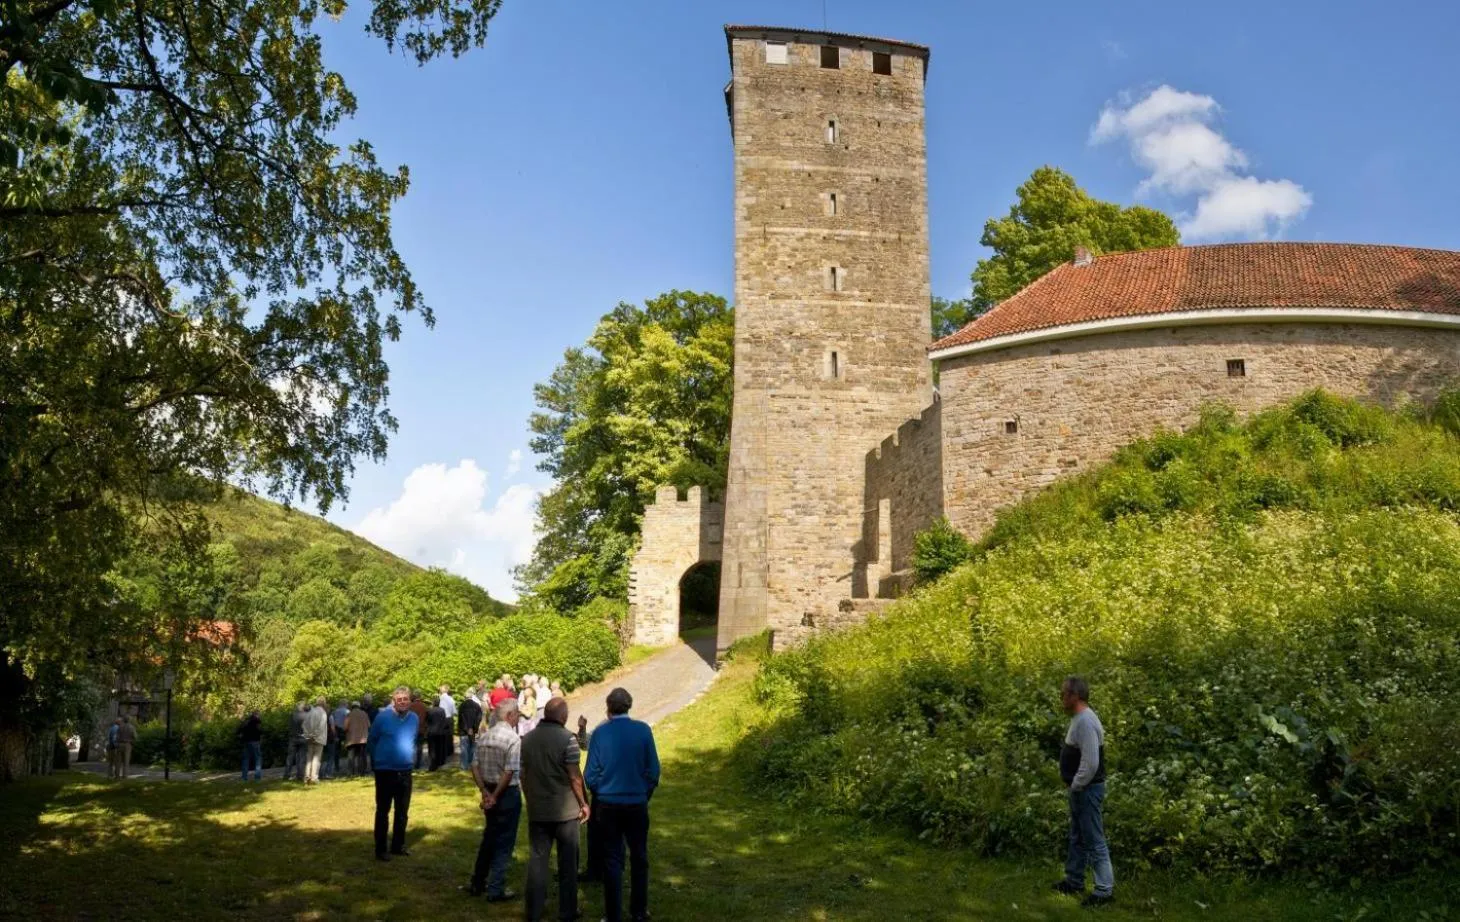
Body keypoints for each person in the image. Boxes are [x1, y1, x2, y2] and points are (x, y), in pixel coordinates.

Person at [583, 688, 660, 922]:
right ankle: (638, 910)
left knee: (612, 858)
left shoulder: (600, 733)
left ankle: (613, 914)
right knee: (639, 856)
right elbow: (653, 772)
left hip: (608, 805)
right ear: (630, 705)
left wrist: (602, 792)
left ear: (608, 707)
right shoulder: (643, 731)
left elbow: (590, 775)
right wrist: (642, 794)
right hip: (636, 804)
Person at [520, 697, 590, 922]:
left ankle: (533, 912)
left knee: (537, 862)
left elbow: (522, 774)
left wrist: (529, 797)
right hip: (566, 811)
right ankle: (567, 911)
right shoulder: (567, 739)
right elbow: (574, 777)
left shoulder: (527, 739)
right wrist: (584, 804)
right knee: (568, 863)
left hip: (538, 808)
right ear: (562, 716)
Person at [1053, 675, 1114, 907]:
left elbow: (1091, 763)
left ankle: (1104, 891)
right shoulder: (1080, 718)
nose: (1061, 698)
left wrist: (1076, 784)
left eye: (1063, 694)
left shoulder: (1086, 721)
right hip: (1081, 790)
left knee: (1094, 840)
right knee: (1077, 837)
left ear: (1074, 696)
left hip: (1087, 790)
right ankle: (1074, 880)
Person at [469, 698, 523, 901]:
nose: (518, 716)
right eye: (517, 713)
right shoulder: (513, 738)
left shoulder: (485, 736)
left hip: (489, 788)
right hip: (505, 792)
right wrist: (495, 795)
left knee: (489, 837)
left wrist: (484, 791)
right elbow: (509, 771)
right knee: (504, 842)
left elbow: (474, 765)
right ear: (510, 716)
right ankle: (495, 888)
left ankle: (477, 881)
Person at [368, 685, 419, 860]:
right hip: (385, 771)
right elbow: (372, 741)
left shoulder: (414, 718)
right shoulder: (382, 718)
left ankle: (398, 845)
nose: (403, 702)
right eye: (399, 699)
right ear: (394, 701)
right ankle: (380, 849)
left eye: (406, 699)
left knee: (402, 812)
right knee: (383, 811)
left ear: (410, 701)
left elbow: (413, 740)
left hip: (405, 770)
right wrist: (377, 762)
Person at [576, 712, 609, 883]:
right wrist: (582, 728)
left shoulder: (627, 732)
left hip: (606, 791)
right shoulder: (601, 730)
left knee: (608, 835)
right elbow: (584, 743)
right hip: (603, 791)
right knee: (595, 834)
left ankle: (605, 871)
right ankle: (595, 871)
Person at [303, 696, 329, 784]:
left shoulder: (311, 711)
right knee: (316, 758)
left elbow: (304, 724)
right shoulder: (323, 713)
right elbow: (321, 727)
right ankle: (314, 777)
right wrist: (314, 735)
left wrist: (308, 735)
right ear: (324, 703)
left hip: (310, 738)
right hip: (318, 738)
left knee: (309, 758)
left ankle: (307, 776)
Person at [459, 688, 484, 771]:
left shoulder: (462, 705)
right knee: (473, 747)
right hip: (474, 730)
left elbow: (461, 719)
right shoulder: (477, 706)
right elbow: (479, 718)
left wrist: (467, 728)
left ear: (465, 697)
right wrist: (474, 727)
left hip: (464, 731)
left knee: (464, 748)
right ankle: (471, 764)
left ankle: (464, 766)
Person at [344, 701, 371, 776]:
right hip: (363, 739)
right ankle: (362, 772)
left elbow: (345, 727)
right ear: (359, 706)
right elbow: (369, 725)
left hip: (351, 739)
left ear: (352, 707)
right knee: (362, 756)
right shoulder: (364, 714)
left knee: (351, 756)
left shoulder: (349, 714)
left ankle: (350, 772)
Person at [426, 699, 451, 771]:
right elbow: (444, 720)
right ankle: (439, 762)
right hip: (440, 731)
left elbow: (427, 720)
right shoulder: (442, 710)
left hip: (432, 731)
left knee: (432, 749)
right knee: (439, 748)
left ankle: (433, 763)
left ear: (433, 703)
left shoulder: (430, 710)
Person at [286, 701, 308, 781]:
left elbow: (290, 726)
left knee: (290, 757)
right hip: (303, 738)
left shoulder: (292, 715)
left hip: (293, 737)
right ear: (303, 707)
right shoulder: (306, 715)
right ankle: (300, 775)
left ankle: (287, 774)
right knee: (302, 758)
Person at [239, 711, 264, 781]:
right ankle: (257, 778)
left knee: (245, 760)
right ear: (256, 715)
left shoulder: (246, 721)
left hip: (246, 742)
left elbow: (239, 730)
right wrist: (261, 739)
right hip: (255, 741)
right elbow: (260, 731)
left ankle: (244, 778)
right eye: (259, 715)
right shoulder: (257, 721)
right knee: (258, 759)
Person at [329, 699, 350, 778]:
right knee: (349, 748)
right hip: (345, 730)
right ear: (345, 704)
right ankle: (349, 766)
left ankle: (337, 766)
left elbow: (333, 722)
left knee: (337, 749)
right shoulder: (347, 711)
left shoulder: (334, 711)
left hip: (337, 730)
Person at [409, 691, 429, 770]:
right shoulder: (424, 706)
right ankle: (418, 763)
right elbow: (427, 718)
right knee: (419, 747)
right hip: (421, 729)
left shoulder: (410, 706)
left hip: (411, 729)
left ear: (413, 697)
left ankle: (411, 762)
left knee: (411, 746)